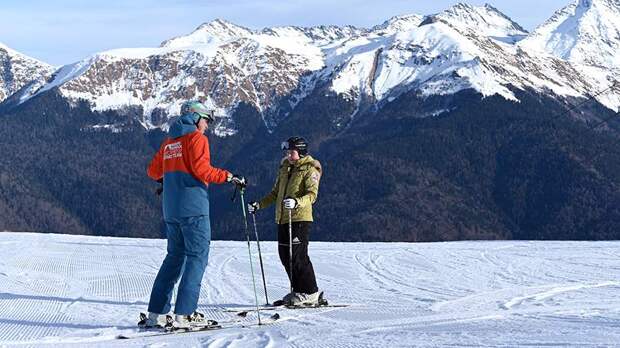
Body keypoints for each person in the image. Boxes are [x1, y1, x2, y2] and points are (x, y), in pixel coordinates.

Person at [140, 100, 245, 329]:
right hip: (193, 209)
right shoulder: (197, 138)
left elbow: (153, 171)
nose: (207, 125)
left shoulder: (170, 141)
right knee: (197, 257)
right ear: (196, 117)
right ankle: (185, 314)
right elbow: (202, 170)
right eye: (206, 120)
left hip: (171, 209)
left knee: (174, 258)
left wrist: (171, 178)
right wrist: (229, 177)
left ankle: (156, 313)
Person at [247, 136, 323, 306]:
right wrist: (259, 205)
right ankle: (298, 290)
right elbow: (275, 193)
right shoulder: (285, 168)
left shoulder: (310, 169)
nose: (288, 154)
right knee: (285, 256)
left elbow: (312, 195)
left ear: (301, 151)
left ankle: (310, 292)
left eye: (292, 151)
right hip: (283, 218)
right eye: (287, 151)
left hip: (299, 218)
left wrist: (297, 202)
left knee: (298, 256)